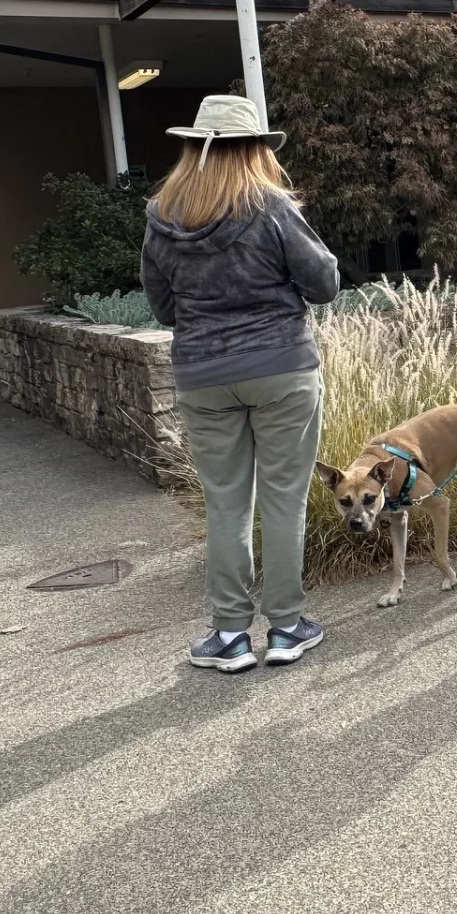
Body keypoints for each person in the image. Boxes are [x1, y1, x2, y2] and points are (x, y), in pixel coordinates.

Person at [141, 94, 342, 674]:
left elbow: (161, 308)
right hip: (281, 366)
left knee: (226, 503)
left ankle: (229, 635)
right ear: (256, 148)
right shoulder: (272, 207)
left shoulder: (162, 215)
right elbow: (325, 282)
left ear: (191, 148)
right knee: (284, 499)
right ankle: (285, 628)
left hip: (203, 375)